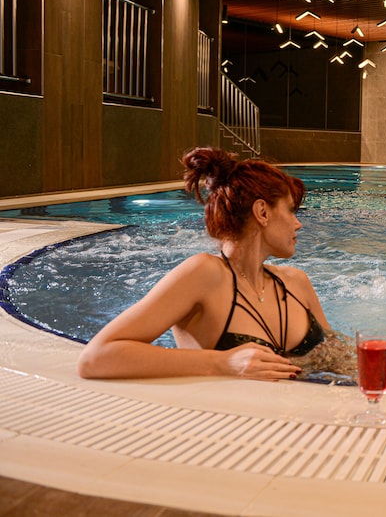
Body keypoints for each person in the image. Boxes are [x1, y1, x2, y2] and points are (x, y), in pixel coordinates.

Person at [78, 146, 351, 381]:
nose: (298, 223)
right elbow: (96, 357)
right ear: (262, 212)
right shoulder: (205, 274)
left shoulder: (296, 283)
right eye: (290, 210)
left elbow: (340, 358)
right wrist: (223, 363)